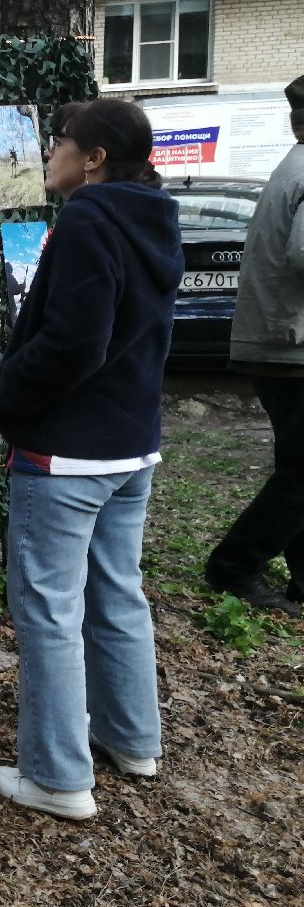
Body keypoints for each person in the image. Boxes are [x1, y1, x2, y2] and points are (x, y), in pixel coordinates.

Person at [0, 98, 184, 820]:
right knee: (117, 594)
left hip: (69, 450)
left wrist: (8, 394)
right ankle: (133, 740)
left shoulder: (89, 220)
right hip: (131, 445)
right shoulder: (154, 217)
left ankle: (58, 777)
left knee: (46, 611)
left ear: (94, 158)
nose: (51, 153)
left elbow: (75, 342)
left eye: (61, 142)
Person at [203, 77, 304, 617]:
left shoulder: (293, 163)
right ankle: (235, 565)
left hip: (279, 341)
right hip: (292, 346)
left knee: (299, 467)